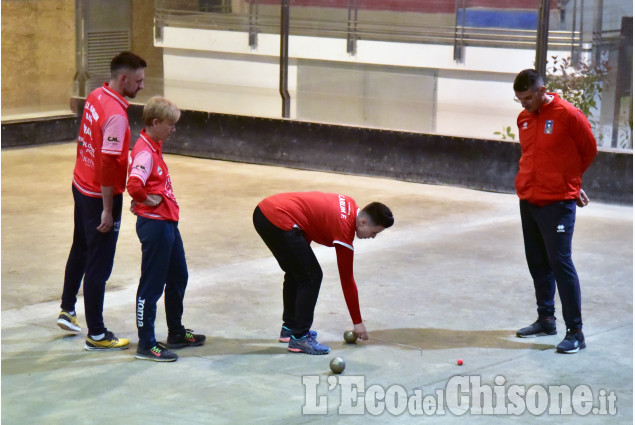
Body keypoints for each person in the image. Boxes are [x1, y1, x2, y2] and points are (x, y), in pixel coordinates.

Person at [57, 51, 147, 351]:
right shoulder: (117, 117)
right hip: (99, 195)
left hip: (80, 184)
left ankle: (67, 309)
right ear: (124, 79)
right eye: (138, 81)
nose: (141, 86)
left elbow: (86, 141)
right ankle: (96, 333)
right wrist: (108, 209)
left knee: (80, 247)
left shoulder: (95, 95)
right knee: (99, 264)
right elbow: (108, 164)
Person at [512, 69, 597, 354]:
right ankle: (546, 319)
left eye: (526, 98)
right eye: (519, 99)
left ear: (541, 90)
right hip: (529, 199)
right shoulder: (524, 118)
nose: (523, 104)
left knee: (560, 263)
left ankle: (576, 332)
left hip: (557, 202)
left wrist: (572, 181)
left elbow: (589, 150)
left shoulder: (568, 114)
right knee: (537, 261)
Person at [253, 192, 394, 355]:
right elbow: (347, 280)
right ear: (363, 223)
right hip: (277, 218)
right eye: (374, 232)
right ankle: (299, 338)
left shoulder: (348, 203)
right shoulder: (344, 229)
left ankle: (290, 328)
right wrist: (358, 322)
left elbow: (311, 220)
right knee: (311, 277)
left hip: (265, 212)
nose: (373, 237)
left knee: (297, 272)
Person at [127, 96, 205, 362]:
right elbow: (134, 185)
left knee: (178, 276)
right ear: (155, 122)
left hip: (167, 223)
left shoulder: (154, 146)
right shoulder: (145, 152)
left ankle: (176, 333)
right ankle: (146, 343)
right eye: (170, 125)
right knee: (152, 285)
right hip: (156, 225)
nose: (174, 130)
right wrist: (146, 202)